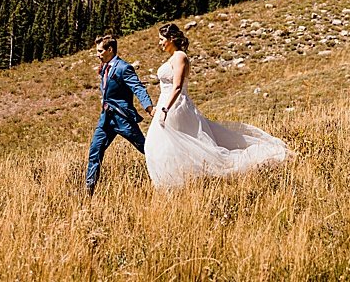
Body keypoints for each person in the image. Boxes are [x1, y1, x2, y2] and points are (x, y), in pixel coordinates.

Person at [145, 23, 291, 189]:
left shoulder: (180, 57)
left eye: (161, 39)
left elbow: (177, 87)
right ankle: (175, 181)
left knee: (177, 143)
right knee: (163, 144)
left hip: (175, 107)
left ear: (171, 39)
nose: (159, 43)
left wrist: (166, 109)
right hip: (166, 104)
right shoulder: (173, 58)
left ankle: (185, 179)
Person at [84, 34, 154, 196]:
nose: (97, 54)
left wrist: (149, 108)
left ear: (110, 50)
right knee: (95, 151)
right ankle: (89, 190)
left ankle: (166, 172)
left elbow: (137, 88)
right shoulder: (104, 67)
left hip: (123, 118)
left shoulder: (124, 68)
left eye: (100, 51)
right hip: (106, 119)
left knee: (146, 149)